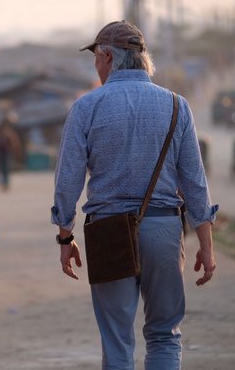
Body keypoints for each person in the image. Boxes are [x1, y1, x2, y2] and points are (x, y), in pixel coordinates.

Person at [52, 20, 218, 370]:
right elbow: (195, 183)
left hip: (108, 232)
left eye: (96, 58)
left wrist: (65, 236)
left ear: (107, 56)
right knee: (164, 335)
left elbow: (68, 181)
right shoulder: (177, 106)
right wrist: (206, 242)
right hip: (164, 232)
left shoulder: (87, 107)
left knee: (117, 341)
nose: (96, 66)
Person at [0, 115, 22, 191]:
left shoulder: (9, 133)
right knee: (2, 169)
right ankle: (4, 184)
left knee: (6, 169)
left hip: (6, 153)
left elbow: (15, 144)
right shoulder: (0, 133)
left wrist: (16, 153)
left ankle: (6, 184)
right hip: (1, 153)